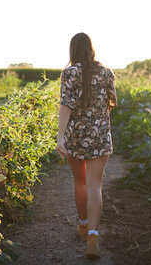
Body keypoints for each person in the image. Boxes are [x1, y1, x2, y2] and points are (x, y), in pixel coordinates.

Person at [56, 32, 117, 259]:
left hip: (75, 137)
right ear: (91, 48)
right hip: (100, 136)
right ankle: (92, 235)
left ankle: (82, 226)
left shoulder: (69, 73)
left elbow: (65, 105)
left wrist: (60, 136)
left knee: (80, 181)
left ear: (72, 50)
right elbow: (112, 102)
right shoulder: (106, 72)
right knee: (95, 186)